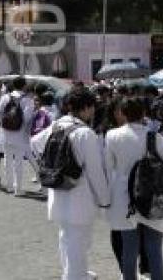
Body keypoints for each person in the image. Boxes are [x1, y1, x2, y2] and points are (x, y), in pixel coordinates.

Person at [33, 89, 109, 280]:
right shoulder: (85, 133)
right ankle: (75, 276)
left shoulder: (56, 126)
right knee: (79, 240)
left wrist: (47, 166)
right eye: (92, 107)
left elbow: (34, 142)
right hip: (80, 195)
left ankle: (73, 272)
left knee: (67, 237)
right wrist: (105, 199)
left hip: (58, 190)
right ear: (86, 107)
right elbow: (95, 172)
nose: (93, 111)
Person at [106, 96, 163, 280]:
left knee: (129, 249)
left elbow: (108, 166)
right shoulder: (155, 137)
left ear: (123, 113)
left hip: (124, 197)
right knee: (154, 248)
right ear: (144, 113)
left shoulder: (112, 136)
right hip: (153, 197)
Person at [0, 76, 35, 196]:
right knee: (18, 161)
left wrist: (3, 124)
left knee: (7, 159)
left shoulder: (5, 97)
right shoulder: (27, 100)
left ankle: (10, 186)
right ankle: (18, 189)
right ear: (24, 86)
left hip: (5, 133)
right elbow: (28, 118)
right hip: (20, 134)